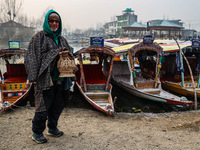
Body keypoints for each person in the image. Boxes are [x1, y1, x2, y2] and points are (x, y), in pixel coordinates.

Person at [24, 9, 72, 144]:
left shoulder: (62, 39)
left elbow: (70, 55)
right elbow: (31, 58)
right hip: (45, 79)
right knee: (43, 106)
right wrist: (33, 78)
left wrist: (67, 53)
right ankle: (37, 132)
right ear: (46, 21)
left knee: (58, 105)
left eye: (57, 21)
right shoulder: (38, 37)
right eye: (51, 20)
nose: (54, 23)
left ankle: (52, 128)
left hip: (60, 79)